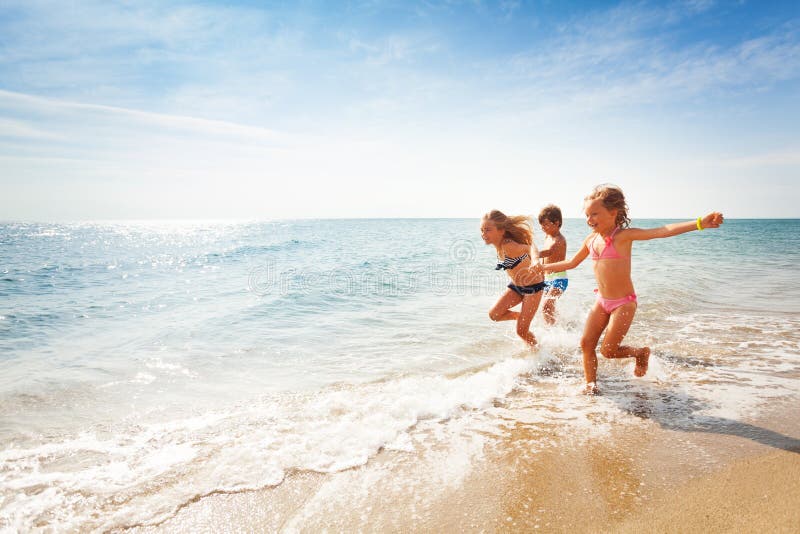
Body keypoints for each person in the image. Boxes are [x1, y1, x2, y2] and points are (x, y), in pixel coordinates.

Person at [541, 185, 724, 394]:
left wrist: (700, 223)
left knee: (608, 351)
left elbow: (661, 232)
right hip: (601, 301)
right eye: (586, 215)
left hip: (623, 303)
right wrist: (542, 267)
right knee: (586, 343)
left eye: (594, 214)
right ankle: (590, 384)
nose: (589, 219)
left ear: (613, 212)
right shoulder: (591, 240)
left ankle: (640, 353)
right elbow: (571, 263)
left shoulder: (623, 237)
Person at [481, 210, 546, 348]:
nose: (483, 234)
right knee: (494, 314)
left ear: (501, 231)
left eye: (487, 230)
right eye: (482, 230)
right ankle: (520, 317)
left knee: (521, 331)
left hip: (533, 288)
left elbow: (530, 248)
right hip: (516, 286)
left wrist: (535, 261)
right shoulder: (498, 245)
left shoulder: (508, 245)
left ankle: (539, 353)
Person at [537, 204, 568, 325]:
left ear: (556, 223)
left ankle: (553, 330)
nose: (542, 228)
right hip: (548, 279)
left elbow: (548, 252)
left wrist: (533, 254)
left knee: (546, 306)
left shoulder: (559, 240)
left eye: (545, 224)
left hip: (559, 279)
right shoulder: (548, 237)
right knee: (548, 307)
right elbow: (545, 260)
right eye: (541, 225)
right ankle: (561, 326)